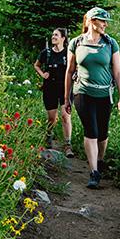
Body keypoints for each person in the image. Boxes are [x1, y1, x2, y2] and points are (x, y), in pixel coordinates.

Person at [64, 7, 120, 189]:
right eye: (102, 21)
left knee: (102, 134)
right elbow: (69, 71)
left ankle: (100, 160)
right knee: (91, 131)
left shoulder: (110, 43)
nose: (105, 24)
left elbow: (118, 71)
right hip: (82, 92)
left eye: (106, 21)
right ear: (91, 21)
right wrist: (66, 98)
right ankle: (94, 172)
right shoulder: (76, 43)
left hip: (104, 94)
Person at [33, 27, 74, 157]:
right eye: (52, 35)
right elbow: (36, 65)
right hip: (49, 88)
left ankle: (68, 145)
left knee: (65, 116)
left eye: (56, 35)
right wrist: (42, 74)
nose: (53, 37)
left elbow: (75, 68)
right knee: (52, 118)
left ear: (63, 38)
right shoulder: (46, 53)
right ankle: (49, 135)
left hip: (65, 89)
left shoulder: (69, 53)